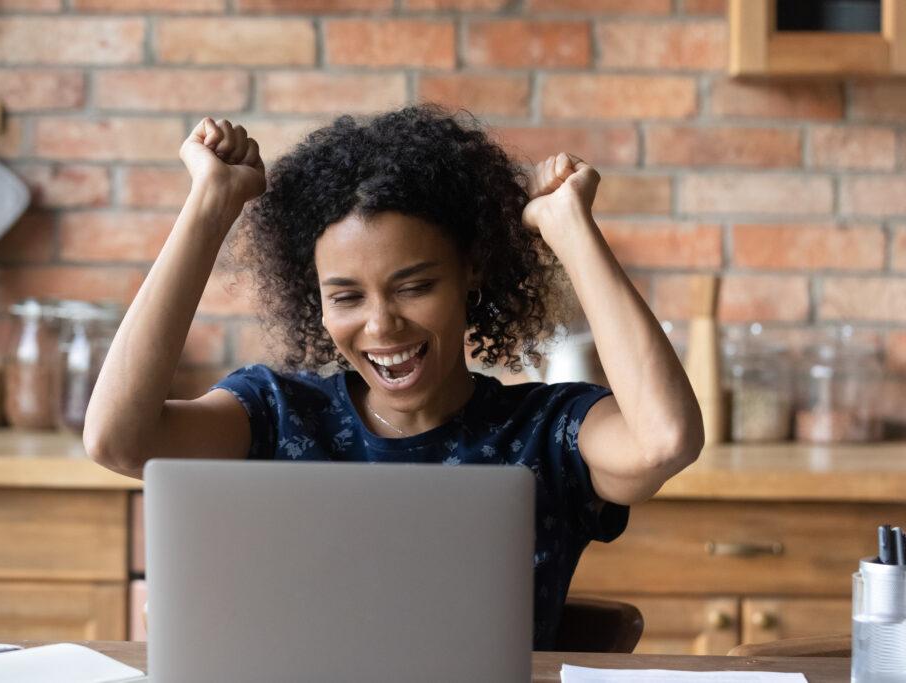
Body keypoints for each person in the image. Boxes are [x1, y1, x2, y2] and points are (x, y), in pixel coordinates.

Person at [85, 104, 704, 650]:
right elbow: (118, 441)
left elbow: (664, 440)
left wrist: (569, 229)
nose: (381, 326)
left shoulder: (548, 432)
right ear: (316, 301)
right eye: (347, 296)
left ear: (473, 272)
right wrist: (210, 205)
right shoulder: (275, 414)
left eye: (415, 286)